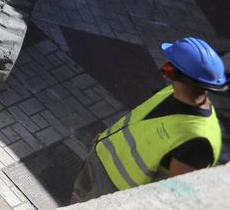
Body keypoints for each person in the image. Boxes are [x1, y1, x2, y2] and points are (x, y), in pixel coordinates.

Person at [72, 38, 224, 200]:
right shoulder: (171, 92)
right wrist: (107, 138)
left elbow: (174, 196)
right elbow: (142, 124)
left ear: (175, 72)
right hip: (100, 157)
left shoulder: (199, 141)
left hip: (116, 191)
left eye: (170, 63)